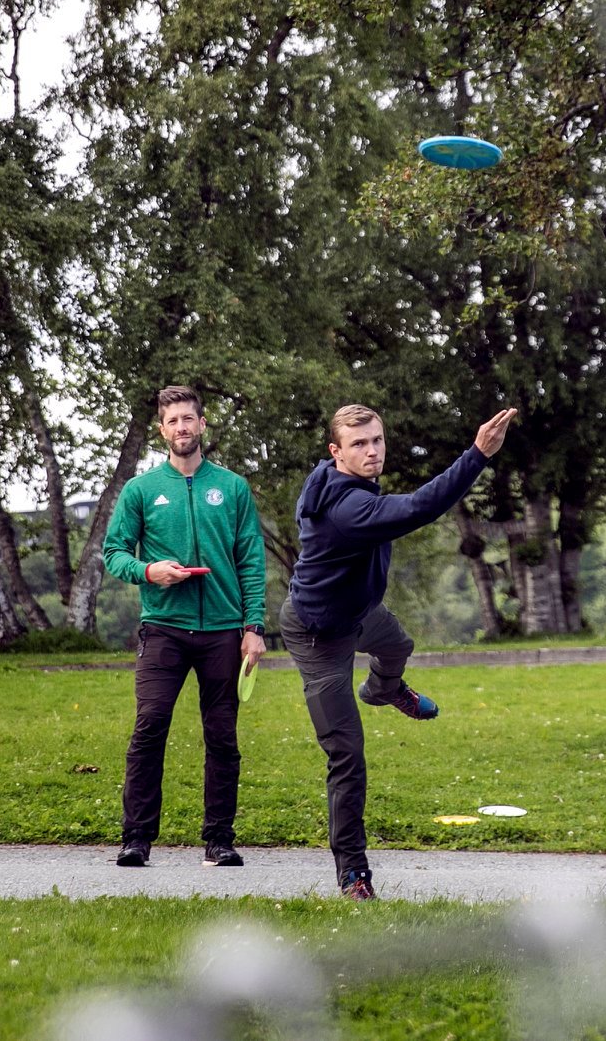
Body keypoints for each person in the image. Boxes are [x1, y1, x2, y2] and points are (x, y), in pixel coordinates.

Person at [282, 403, 517, 900]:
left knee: (398, 644)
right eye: (359, 445)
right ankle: (353, 873)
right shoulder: (348, 508)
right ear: (335, 452)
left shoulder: (334, 477)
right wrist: (477, 455)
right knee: (347, 755)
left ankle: (383, 689)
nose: (371, 452)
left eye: (377, 441)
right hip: (318, 634)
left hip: (359, 613)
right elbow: (418, 509)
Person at [101, 385, 268, 869]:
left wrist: (253, 627)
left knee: (222, 737)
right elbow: (115, 554)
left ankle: (219, 840)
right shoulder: (141, 490)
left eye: (189, 419)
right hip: (163, 629)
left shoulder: (232, 487)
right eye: (173, 421)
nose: (182, 428)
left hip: (222, 631)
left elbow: (251, 561)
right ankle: (136, 839)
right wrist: (149, 571)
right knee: (150, 727)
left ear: (202, 424)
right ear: (162, 430)